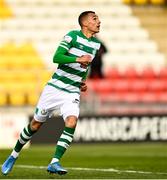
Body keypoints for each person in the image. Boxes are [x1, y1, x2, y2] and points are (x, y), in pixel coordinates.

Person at [1, 11, 101, 176]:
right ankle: (13, 155)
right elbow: (57, 57)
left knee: (71, 121)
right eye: (95, 18)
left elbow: (86, 65)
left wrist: (82, 81)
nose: (99, 21)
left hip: (72, 91)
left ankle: (55, 161)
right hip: (54, 88)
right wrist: (77, 59)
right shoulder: (72, 36)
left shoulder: (96, 44)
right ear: (84, 23)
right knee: (35, 125)